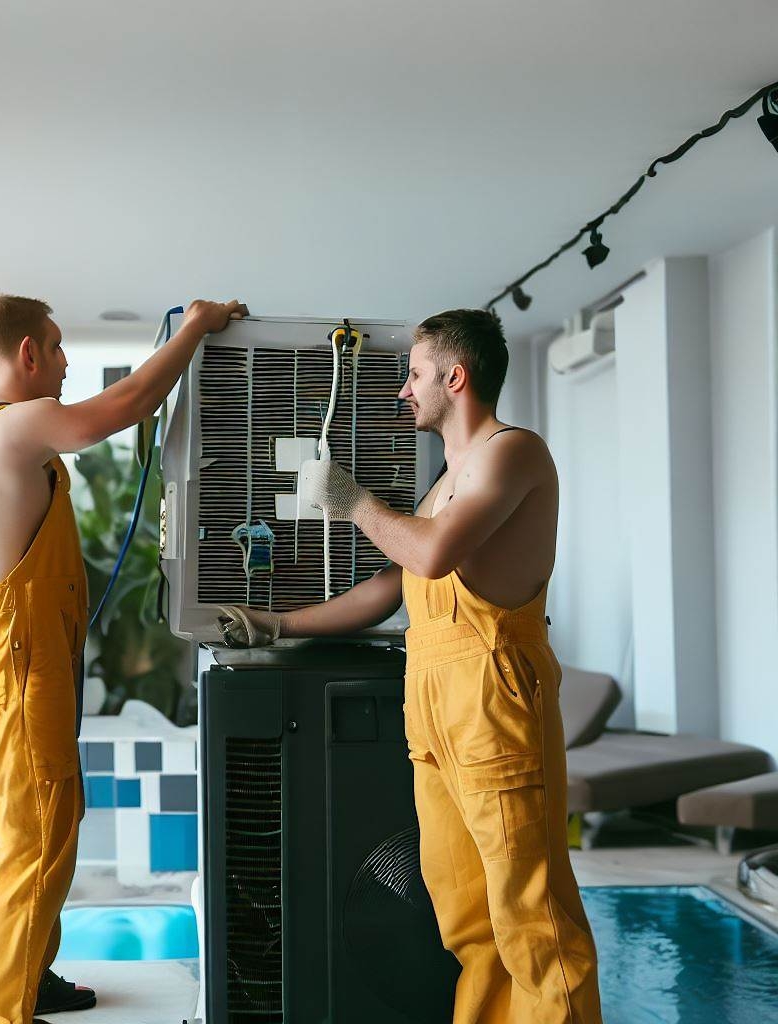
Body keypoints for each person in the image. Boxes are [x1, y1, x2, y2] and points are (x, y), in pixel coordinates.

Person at [218, 308, 603, 1023]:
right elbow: (388, 589)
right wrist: (272, 627)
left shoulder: (512, 453)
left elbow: (430, 554)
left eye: (415, 373)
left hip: (494, 700)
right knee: (466, 920)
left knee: (532, 916)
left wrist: (353, 500)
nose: (403, 389)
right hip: (434, 707)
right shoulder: (447, 481)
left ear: (455, 377)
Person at [0, 294, 246, 1024]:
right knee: (33, 837)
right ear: (27, 355)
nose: (67, 360)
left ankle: (32, 978)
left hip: (13, 650)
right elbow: (129, 402)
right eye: (56, 345)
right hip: (10, 655)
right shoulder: (17, 423)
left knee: (46, 820)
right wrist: (198, 327)